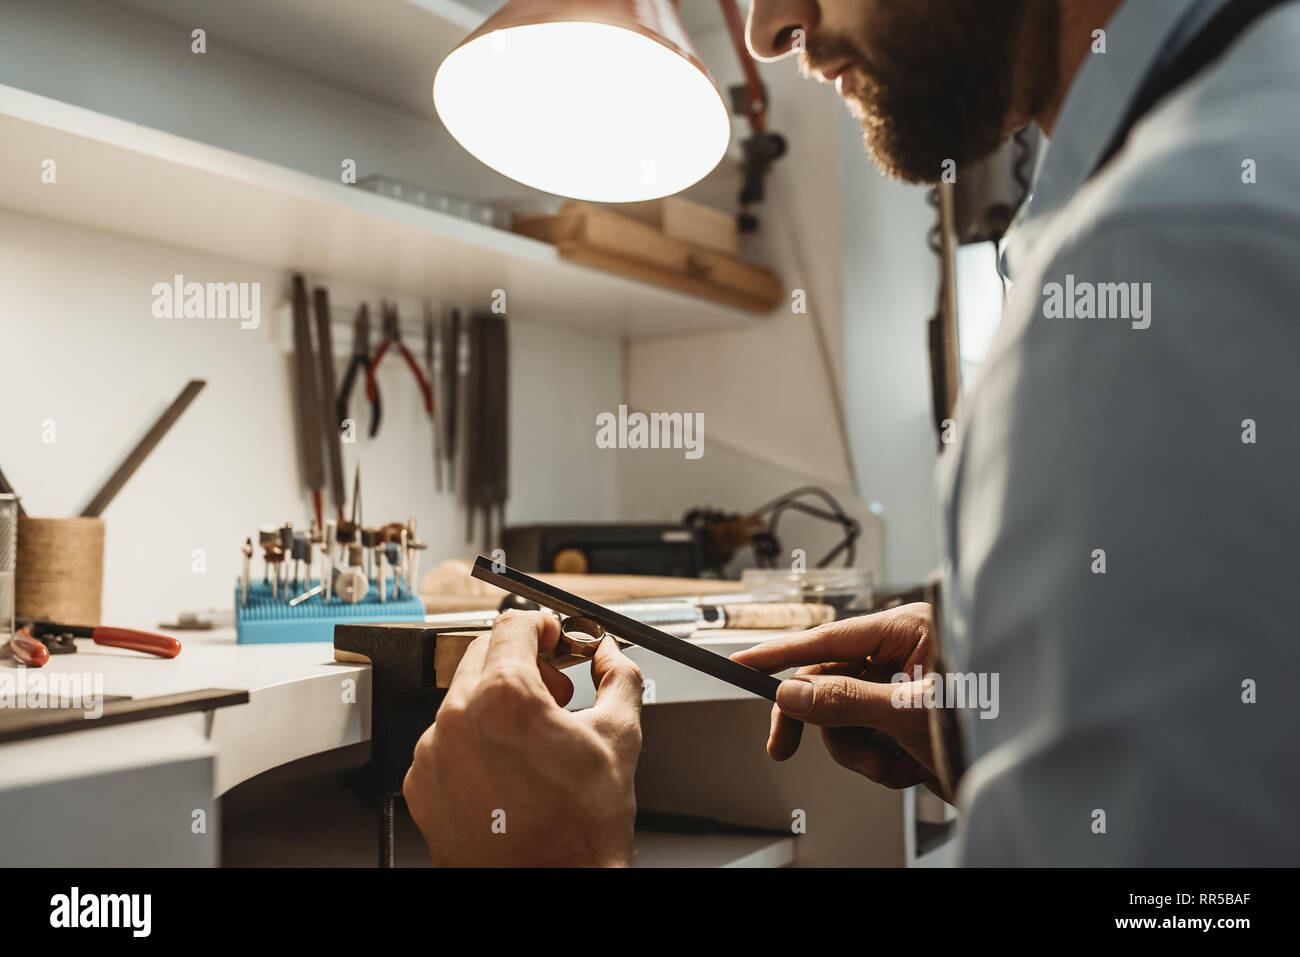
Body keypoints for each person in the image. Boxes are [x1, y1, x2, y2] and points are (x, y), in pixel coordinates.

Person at [404, 0, 1300, 866]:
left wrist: (552, 860)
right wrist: (1001, 722)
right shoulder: (1239, 139)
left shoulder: (1172, 250)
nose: (763, 27)